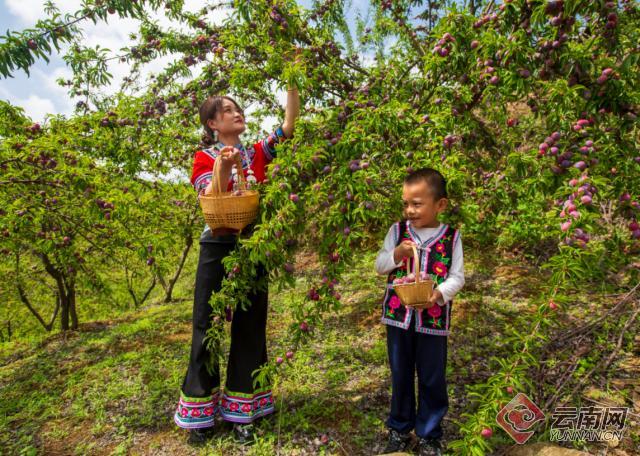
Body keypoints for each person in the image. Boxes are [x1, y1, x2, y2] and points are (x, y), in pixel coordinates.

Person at [174, 87, 300, 445]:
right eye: (227, 110)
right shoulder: (203, 156)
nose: (236, 113)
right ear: (213, 123)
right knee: (207, 324)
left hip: (253, 244)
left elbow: (289, 126)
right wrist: (223, 168)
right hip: (217, 245)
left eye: (238, 109)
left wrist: (291, 83)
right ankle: (200, 412)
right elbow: (208, 199)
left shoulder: (258, 151)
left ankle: (243, 410)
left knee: (250, 326)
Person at [375, 168, 465, 456]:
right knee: (400, 372)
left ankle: (429, 433)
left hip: (433, 320)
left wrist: (438, 294)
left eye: (417, 204)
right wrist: (396, 255)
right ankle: (399, 428)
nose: (410, 210)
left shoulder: (451, 237)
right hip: (398, 319)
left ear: (440, 204)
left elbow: (457, 277)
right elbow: (379, 266)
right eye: (406, 204)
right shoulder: (397, 232)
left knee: (431, 376)